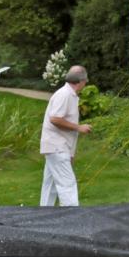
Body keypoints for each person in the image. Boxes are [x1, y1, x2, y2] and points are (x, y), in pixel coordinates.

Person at [39, 65, 92, 207]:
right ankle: (73, 220)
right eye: (85, 80)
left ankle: (43, 216)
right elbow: (55, 119)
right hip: (57, 147)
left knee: (50, 187)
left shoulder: (69, 95)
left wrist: (70, 153)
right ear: (81, 80)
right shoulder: (65, 95)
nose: (86, 83)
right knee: (67, 184)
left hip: (57, 148)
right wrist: (79, 127)